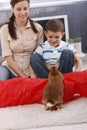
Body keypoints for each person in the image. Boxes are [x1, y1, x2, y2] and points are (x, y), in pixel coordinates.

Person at [0, 0, 43, 80]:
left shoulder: (38, 29)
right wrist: (24, 77)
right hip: (10, 69)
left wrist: (31, 75)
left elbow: (37, 56)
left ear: (29, 8)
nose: (23, 13)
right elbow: (8, 58)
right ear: (12, 9)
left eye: (25, 8)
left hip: (31, 71)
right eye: (19, 9)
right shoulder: (4, 29)